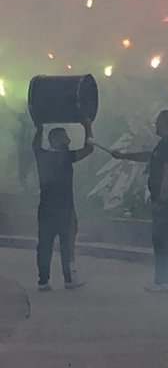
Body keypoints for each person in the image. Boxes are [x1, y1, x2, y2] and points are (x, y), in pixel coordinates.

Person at [110, 110, 168, 292]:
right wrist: (124, 156)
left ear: (167, 123)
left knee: (166, 238)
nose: (155, 125)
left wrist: (162, 199)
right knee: (162, 238)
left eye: (158, 122)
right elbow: (150, 156)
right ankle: (164, 280)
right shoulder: (166, 143)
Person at [32, 118, 93, 291]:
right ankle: (68, 278)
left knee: (45, 244)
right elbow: (89, 149)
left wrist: (39, 128)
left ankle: (43, 280)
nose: (69, 140)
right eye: (65, 137)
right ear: (57, 140)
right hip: (64, 208)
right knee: (66, 244)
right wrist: (88, 127)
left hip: (46, 208)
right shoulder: (65, 157)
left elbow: (35, 146)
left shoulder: (43, 156)